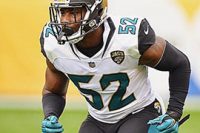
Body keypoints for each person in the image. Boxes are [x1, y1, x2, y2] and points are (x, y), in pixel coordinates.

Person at [40, 0, 191, 133]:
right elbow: (53, 90)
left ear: (96, 12)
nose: (65, 20)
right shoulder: (54, 45)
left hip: (140, 111)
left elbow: (179, 64)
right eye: (62, 12)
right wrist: (51, 114)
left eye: (74, 12)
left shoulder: (128, 38)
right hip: (98, 119)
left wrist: (174, 113)